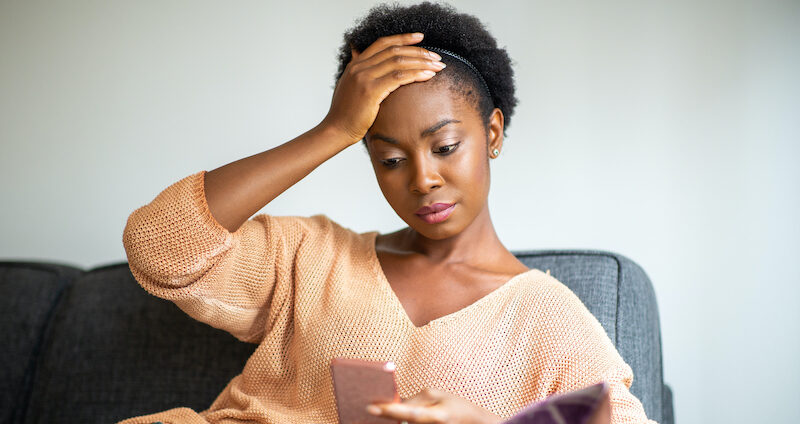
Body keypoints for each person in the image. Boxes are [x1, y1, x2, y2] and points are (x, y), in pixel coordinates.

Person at [118, 2, 657, 423]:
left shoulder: (549, 319)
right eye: (391, 159)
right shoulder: (313, 257)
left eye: (445, 147)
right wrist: (333, 130)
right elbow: (158, 246)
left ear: (492, 133)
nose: (422, 179)